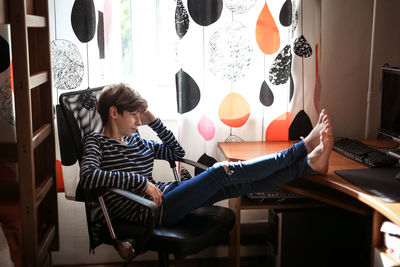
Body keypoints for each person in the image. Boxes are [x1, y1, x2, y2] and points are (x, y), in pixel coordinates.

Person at [80, 83, 333, 226]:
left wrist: (154, 121)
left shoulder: (135, 139)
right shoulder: (96, 142)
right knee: (220, 172)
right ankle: (303, 148)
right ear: (114, 113)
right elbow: (88, 178)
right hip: (146, 211)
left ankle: (307, 165)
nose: (138, 121)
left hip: (167, 195)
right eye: (133, 115)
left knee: (231, 186)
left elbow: (176, 152)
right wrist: (141, 182)